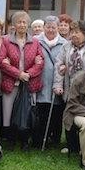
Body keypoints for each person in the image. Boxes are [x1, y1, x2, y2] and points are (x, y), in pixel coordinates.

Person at [0, 11, 44, 150]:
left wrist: (28, 74)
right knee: (8, 111)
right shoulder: (6, 40)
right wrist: (19, 74)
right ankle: (10, 140)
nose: (22, 24)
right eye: (19, 22)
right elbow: (2, 61)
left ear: (28, 24)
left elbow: (41, 62)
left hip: (29, 83)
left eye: (24, 22)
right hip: (11, 83)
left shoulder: (35, 41)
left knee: (27, 111)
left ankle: (24, 140)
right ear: (14, 24)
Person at [34, 16, 67, 148]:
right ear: (44, 27)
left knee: (56, 113)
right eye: (48, 27)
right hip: (40, 82)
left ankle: (55, 139)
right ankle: (39, 139)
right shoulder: (36, 41)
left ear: (58, 28)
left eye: (54, 27)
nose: (51, 30)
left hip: (57, 83)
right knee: (41, 113)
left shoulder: (64, 43)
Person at [53, 20, 85, 102]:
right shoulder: (66, 46)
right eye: (72, 32)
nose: (74, 35)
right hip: (70, 86)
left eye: (77, 32)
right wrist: (58, 85)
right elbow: (59, 65)